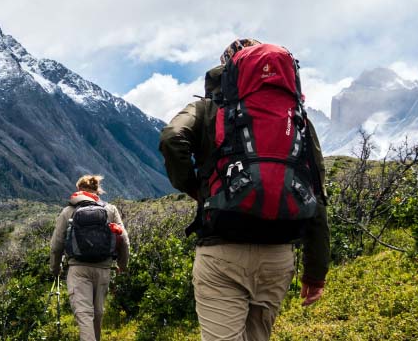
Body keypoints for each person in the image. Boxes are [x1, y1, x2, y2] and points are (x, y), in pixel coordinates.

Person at [159, 38, 330, 341]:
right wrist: (316, 271)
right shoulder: (298, 119)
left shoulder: (208, 109)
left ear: (228, 71)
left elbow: (173, 138)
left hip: (222, 252)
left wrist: (196, 189)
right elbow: (316, 192)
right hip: (278, 257)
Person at [50, 175, 130, 341]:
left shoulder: (68, 211)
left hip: (78, 270)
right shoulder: (110, 209)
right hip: (103, 269)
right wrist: (122, 265)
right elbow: (124, 240)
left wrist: (55, 269)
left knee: (84, 314)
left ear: (79, 190)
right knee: (97, 313)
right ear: (97, 191)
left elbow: (56, 246)